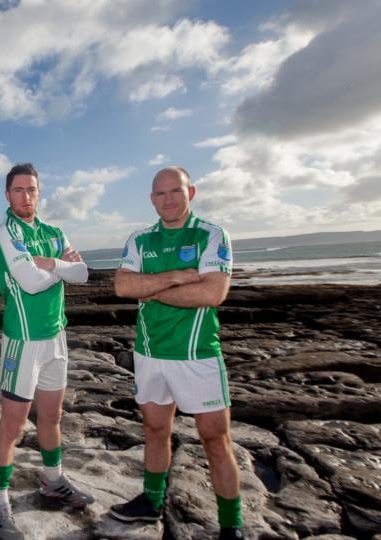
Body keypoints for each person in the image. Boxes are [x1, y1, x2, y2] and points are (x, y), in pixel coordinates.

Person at [109, 166, 243, 539]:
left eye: (175, 192)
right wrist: (175, 276)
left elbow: (211, 294)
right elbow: (122, 286)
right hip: (149, 354)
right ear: (152, 199)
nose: (168, 200)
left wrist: (147, 289)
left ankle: (232, 526)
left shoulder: (211, 235)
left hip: (197, 355)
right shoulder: (140, 239)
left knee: (216, 440)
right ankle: (152, 501)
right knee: (154, 429)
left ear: (191, 193)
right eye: (160, 193)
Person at [0, 163, 93, 539]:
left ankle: (54, 481)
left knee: (52, 416)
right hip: (22, 340)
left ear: (39, 192)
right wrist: (60, 267)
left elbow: (83, 274)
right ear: (7, 195)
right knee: (13, 425)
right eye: (18, 190)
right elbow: (30, 283)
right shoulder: (5, 232)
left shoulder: (54, 231)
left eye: (31, 189)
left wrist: (49, 263)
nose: (26, 196)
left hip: (55, 338)